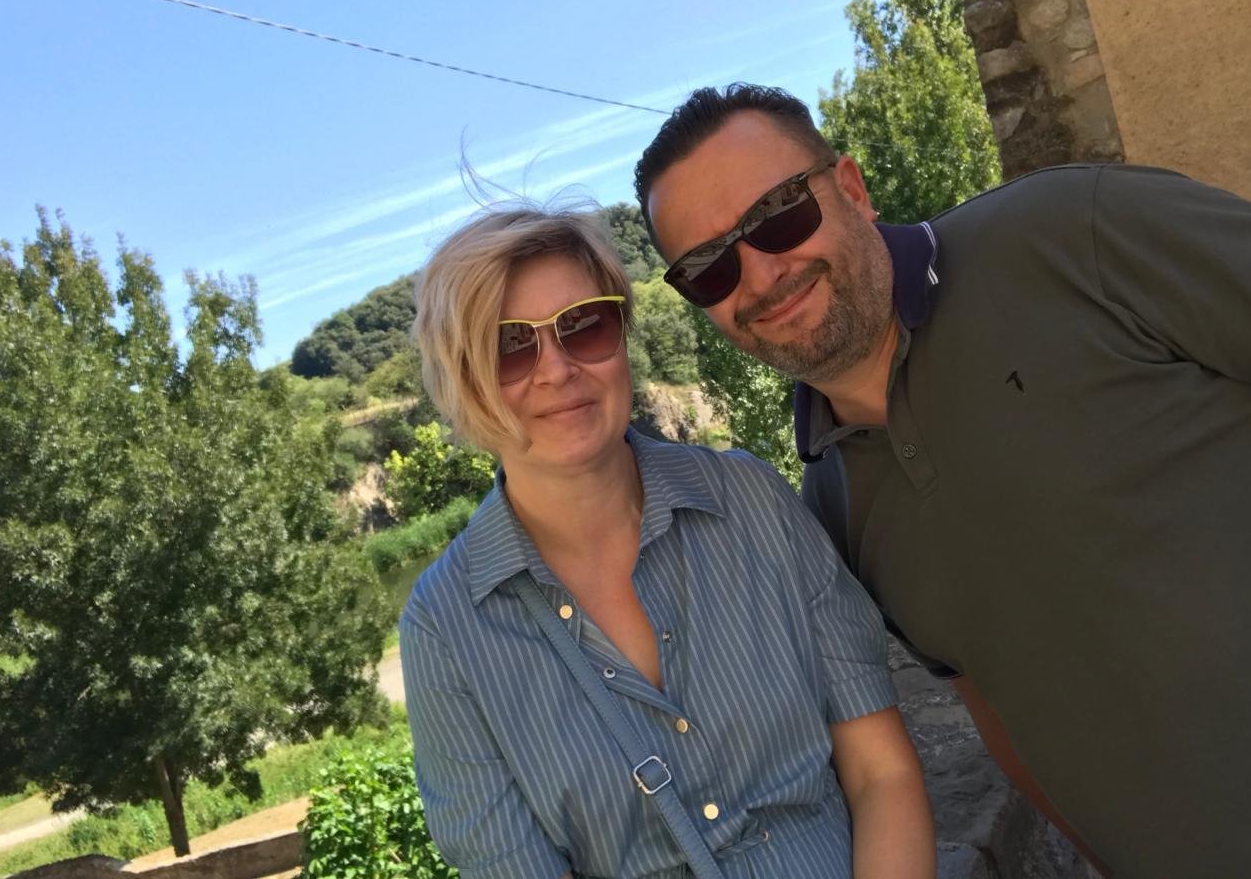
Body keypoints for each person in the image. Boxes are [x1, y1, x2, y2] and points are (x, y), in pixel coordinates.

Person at [632, 83, 1251, 879]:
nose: (760, 275)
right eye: (708, 267)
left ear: (853, 190)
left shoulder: (1070, 233)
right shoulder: (830, 509)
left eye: (778, 215)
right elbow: (993, 710)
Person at [399, 203, 935, 879]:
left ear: (622, 335)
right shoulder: (445, 629)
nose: (556, 369)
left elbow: (881, 774)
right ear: (461, 380)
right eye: (510, 345)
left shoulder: (749, 501)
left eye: (583, 326)